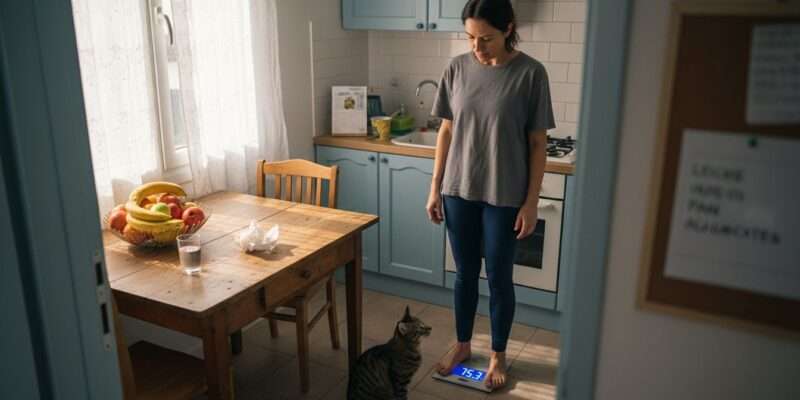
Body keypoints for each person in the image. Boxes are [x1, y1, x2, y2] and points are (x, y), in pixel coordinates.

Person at [426, 0, 555, 390]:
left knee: (499, 278)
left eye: (486, 39)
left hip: (504, 194)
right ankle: (463, 345)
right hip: (458, 189)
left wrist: (531, 202)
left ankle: (498, 354)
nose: (477, 47)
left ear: (508, 29)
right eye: (470, 38)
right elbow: (446, 130)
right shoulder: (456, 68)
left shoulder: (531, 74)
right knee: (465, 274)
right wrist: (435, 187)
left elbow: (538, 144)